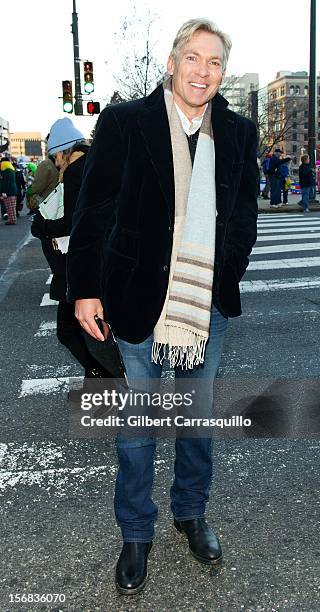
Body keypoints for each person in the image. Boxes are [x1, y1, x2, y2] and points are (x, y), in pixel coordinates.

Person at [67, 18, 258, 595]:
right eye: (194, 58)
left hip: (207, 304)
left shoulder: (239, 132)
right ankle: (136, 534)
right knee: (138, 429)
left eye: (215, 62)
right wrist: (84, 289)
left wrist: (227, 272)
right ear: (173, 62)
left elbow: (244, 216)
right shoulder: (127, 123)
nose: (204, 71)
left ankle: (190, 513)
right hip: (136, 299)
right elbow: (95, 212)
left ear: (223, 72)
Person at [31, 118, 105, 387]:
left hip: (80, 261)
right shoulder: (95, 161)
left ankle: (101, 373)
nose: (56, 163)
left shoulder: (76, 171)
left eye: (55, 157)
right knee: (90, 327)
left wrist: (42, 227)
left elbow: (76, 221)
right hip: (100, 255)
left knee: (68, 330)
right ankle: (98, 377)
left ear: (63, 150)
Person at [0, 158, 18, 225]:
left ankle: (12, 220)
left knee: (9, 207)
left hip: (8, 192)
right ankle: (13, 219)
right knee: (12, 207)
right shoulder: (11, 170)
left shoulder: (5, 171)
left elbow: (4, 183)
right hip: (13, 191)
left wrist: (3, 193)